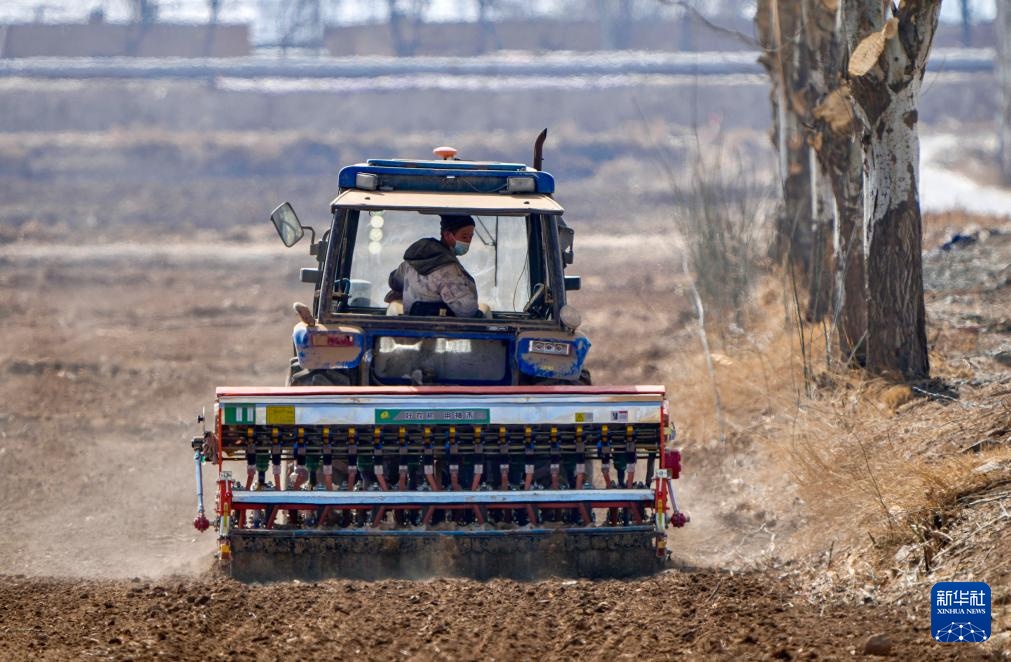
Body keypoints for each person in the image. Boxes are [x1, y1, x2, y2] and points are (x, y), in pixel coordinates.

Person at [386, 214, 482, 317]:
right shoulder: (448, 271)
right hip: (442, 326)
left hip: (410, 324)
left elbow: (394, 281)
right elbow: (466, 309)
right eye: (464, 236)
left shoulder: (409, 264)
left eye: (470, 237)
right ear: (447, 235)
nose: (467, 241)